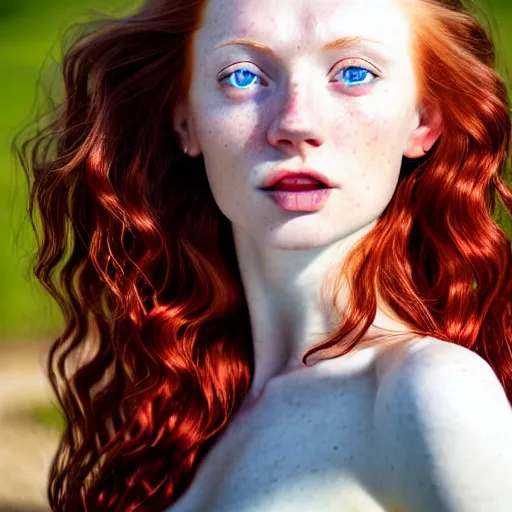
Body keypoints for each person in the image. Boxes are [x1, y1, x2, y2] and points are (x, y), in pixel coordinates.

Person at [13, 0, 512, 510]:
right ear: (185, 121)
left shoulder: (429, 392)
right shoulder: (185, 414)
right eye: (242, 76)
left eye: (355, 73)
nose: (295, 123)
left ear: (423, 121)